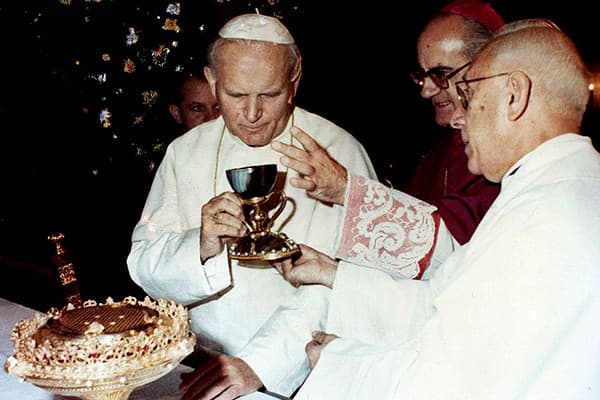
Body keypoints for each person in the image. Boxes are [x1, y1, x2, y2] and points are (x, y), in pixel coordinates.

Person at [274, 23, 600, 399]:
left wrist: (341, 364)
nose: (458, 117)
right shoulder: (560, 188)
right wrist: (334, 275)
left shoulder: (540, 216)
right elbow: (444, 306)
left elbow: (451, 380)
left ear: (514, 95)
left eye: (469, 92)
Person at [126, 12, 377, 399]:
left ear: (294, 80)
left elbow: (348, 284)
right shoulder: (184, 152)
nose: (253, 114)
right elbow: (142, 264)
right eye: (236, 95)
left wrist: (260, 364)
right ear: (212, 81)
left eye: (270, 94)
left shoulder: (340, 153)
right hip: (201, 365)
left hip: (301, 372)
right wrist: (201, 246)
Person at [405, 0, 503, 245]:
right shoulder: (435, 156)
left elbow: (455, 235)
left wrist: (348, 192)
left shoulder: (507, 148)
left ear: (485, 64)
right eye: (422, 75)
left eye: (439, 74)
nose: (426, 91)